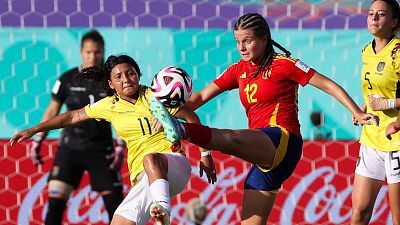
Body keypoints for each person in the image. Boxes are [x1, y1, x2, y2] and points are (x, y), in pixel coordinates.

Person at [147, 13, 378, 225]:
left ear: (265, 39)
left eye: (247, 41)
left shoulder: (284, 64)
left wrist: (355, 111)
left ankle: (183, 130)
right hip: (263, 156)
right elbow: (199, 97)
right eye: (238, 42)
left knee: (230, 138)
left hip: (283, 139)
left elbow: (327, 84)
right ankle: (179, 127)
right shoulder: (239, 70)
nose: (241, 47)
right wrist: (169, 110)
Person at [10, 54, 217, 225]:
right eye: (118, 77)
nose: (126, 79)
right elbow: (71, 116)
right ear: (110, 83)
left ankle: (163, 209)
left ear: (138, 75)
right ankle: (160, 210)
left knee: (151, 159)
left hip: (173, 164)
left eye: (130, 73)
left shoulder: (155, 96)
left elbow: (190, 116)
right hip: (143, 179)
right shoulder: (108, 105)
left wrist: (205, 154)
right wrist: (34, 129)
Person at [27, 30, 124, 225]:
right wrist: (38, 139)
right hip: (71, 148)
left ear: (103, 52)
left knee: (118, 210)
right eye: (88, 52)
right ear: (81, 52)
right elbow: (52, 110)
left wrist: (120, 145)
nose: (92, 57)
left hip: (102, 151)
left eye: (97, 52)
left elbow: (122, 114)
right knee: (55, 204)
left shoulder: (112, 80)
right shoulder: (67, 79)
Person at [350, 0, 400, 224]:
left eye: (381, 15)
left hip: (396, 139)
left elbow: (387, 100)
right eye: (371, 13)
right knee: (359, 211)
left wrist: (395, 122)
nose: (374, 18)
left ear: (394, 22)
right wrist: (363, 108)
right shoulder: (366, 51)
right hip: (372, 137)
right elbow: (375, 90)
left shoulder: (397, 53)